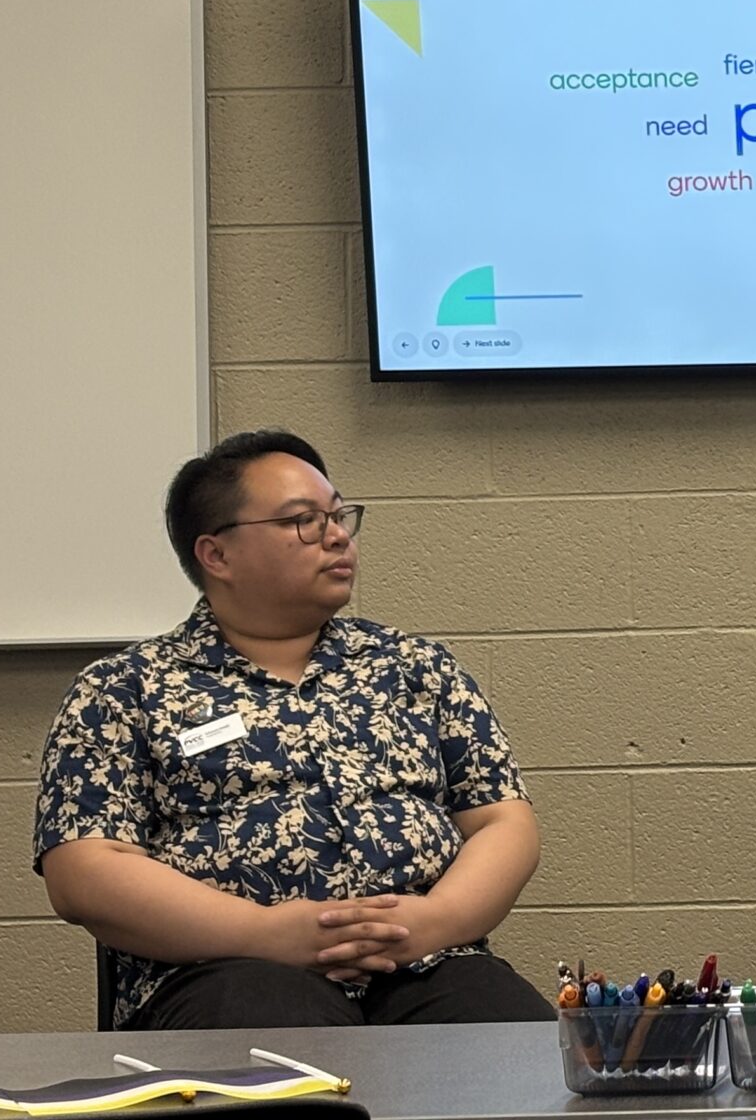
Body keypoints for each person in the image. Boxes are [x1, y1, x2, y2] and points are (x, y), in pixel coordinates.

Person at [35, 429, 554, 1030]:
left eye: (338, 516)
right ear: (217, 555)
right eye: (304, 521)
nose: (336, 536)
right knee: (286, 1042)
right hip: (223, 970)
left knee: (511, 1046)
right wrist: (264, 932)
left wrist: (432, 921)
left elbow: (503, 820)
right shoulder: (125, 688)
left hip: (429, 962)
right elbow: (84, 870)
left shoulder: (416, 667)